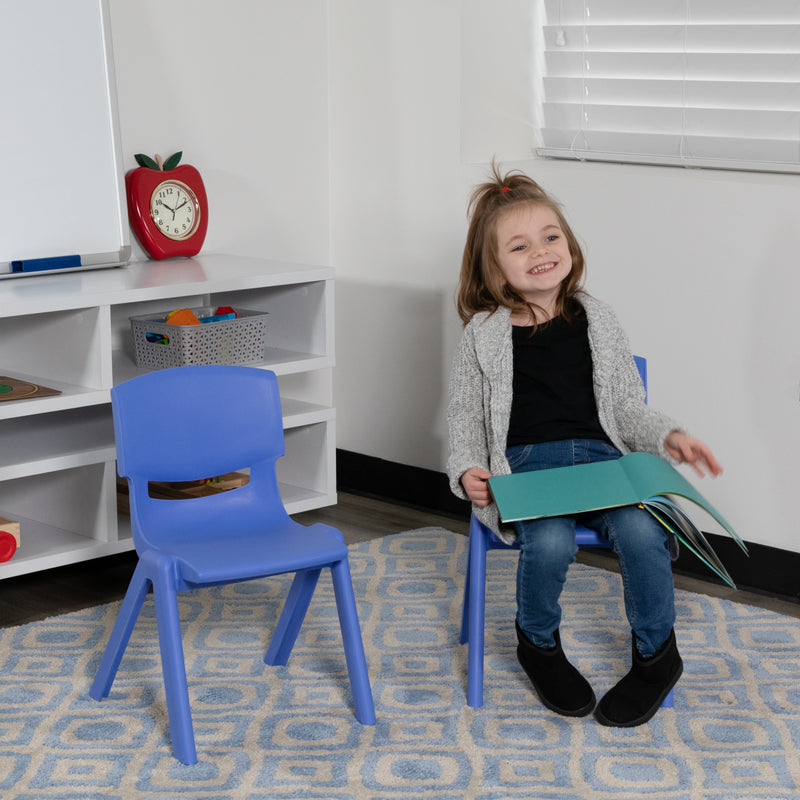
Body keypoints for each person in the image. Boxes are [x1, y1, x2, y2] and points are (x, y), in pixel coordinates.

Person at [447, 164, 722, 727]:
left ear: (569, 243)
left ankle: (656, 654)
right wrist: (468, 468)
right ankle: (538, 643)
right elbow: (464, 418)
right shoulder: (484, 334)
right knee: (547, 546)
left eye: (551, 237)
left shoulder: (598, 318)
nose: (541, 252)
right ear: (496, 270)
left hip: (604, 464)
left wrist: (669, 435)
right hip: (528, 471)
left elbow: (626, 407)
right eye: (519, 246)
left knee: (645, 534)